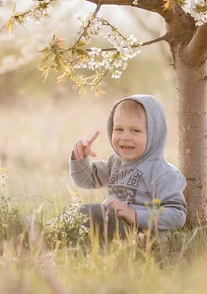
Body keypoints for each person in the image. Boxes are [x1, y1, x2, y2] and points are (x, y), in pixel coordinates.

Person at [70, 94, 186, 241]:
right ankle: (49, 231)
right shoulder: (115, 162)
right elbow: (86, 180)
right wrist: (80, 157)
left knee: (93, 212)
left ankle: (57, 232)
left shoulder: (163, 173)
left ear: (154, 135)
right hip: (113, 223)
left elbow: (177, 215)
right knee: (81, 216)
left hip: (140, 234)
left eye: (135, 131)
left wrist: (135, 215)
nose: (125, 137)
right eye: (119, 129)